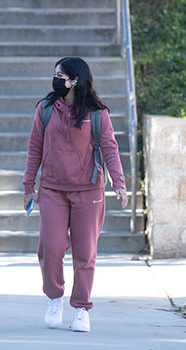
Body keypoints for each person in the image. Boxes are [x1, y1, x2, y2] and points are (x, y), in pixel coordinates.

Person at [22, 57, 128, 332]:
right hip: (52, 190)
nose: (56, 79)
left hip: (88, 191)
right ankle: (54, 298)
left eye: (61, 75)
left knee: (85, 253)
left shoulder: (97, 113)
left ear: (76, 80)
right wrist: (28, 187)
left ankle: (81, 307)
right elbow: (34, 148)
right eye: (55, 74)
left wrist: (118, 182)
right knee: (51, 248)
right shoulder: (45, 109)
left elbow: (110, 149)